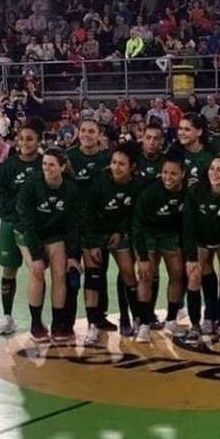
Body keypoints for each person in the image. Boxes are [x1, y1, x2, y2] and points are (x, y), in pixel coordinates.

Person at [81, 142, 146, 345]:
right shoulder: (99, 181)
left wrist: (120, 231)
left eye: (122, 164)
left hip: (118, 232)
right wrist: (92, 245)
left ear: (132, 167)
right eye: (114, 162)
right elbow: (87, 214)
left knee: (128, 273)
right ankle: (93, 325)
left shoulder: (137, 185)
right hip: (94, 233)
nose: (116, 167)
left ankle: (137, 318)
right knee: (93, 275)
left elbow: (133, 213)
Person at [15, 148, 82, 342]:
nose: (47, 168)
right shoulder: (31, 185)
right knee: (37, 274)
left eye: (52, 164)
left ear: (62, 167)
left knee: (60, 275)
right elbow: (27, 222)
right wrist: (36, 256)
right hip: (28, 233)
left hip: (54, 234)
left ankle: (58, 324)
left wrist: (72, 255)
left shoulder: (71, 189)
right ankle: (36, 324)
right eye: (44, 164)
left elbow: (72, 225)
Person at [0, 119, 44, 336]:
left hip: (38, 226)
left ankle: (37, 321)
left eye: (30, 139)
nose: (25, 143)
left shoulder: (45, 163)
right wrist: (13, 213)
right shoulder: (8, 166)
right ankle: (7, 316)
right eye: (21, 139)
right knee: (9, 270)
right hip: (11, 223)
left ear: (39, 141)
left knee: (37, 272)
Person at [67, 118, 116, 331]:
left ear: (99, 134)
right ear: (78, 133)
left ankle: (98, 317)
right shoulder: (68, 157)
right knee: (71, 272)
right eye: (83, 131)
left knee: (98, 272)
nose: (87, 135)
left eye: (91, 131)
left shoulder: (107, 159)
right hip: (72, 225)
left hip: (98, 226)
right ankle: (65, 321)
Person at [183, 155, 220, 342]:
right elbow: (188, 226)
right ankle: (198, 323)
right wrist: (191, 257)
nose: (214, 173)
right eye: (212, 168)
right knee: (195, 275)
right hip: (201, 240)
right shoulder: (195, 192)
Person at [132, 154, 187, 334]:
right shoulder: (150, 194)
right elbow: (137, 226)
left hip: (171, 235)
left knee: (177, 274)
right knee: (146, 275)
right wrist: (142, 256)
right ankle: (144, 323)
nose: (168, 177)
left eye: (173, 173)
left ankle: (171, 320)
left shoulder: (187, 192)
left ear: (182, 174)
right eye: (164, 173)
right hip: (148, 234)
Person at [173, 113, 215, 187]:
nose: (181, 133)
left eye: (187, 129)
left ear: (199, 132)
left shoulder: (211, 154)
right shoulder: (173, 153)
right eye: (180, 128)